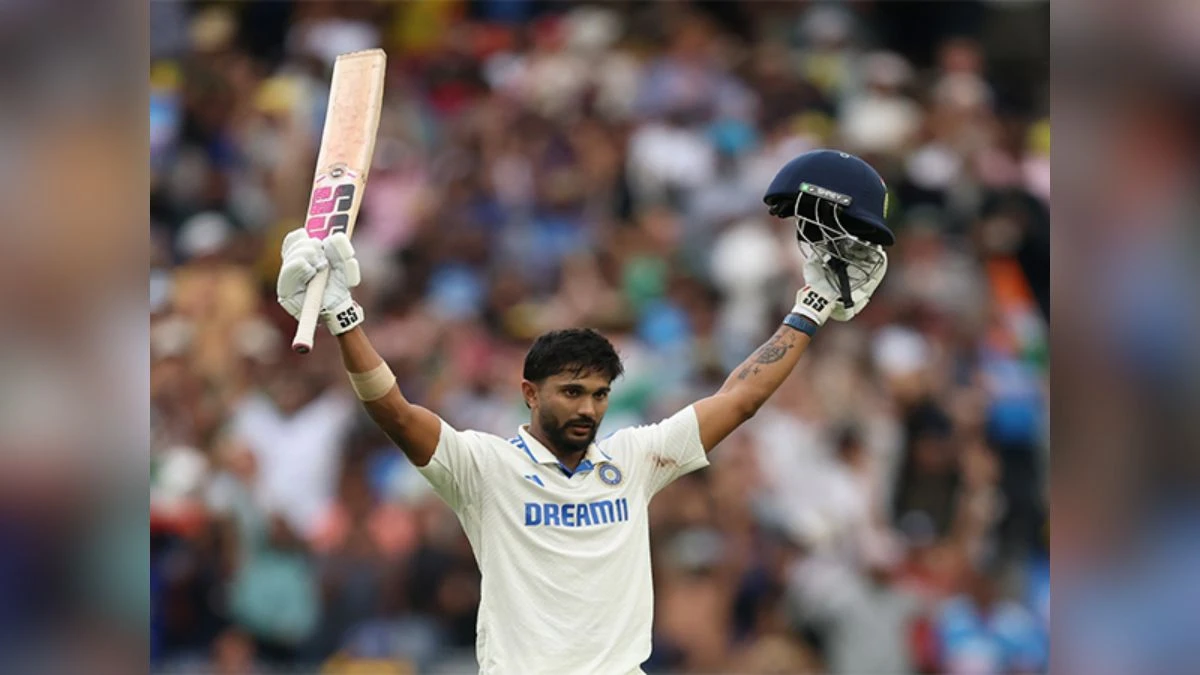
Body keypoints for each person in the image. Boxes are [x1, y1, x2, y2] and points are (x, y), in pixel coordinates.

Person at [274, 149, 893, 675]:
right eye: (571, 392)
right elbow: (397, 414)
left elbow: (740, 397)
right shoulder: (484, 468)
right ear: (529, 393)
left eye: (599, 395)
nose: (588, 409)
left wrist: (809, 308)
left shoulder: (634, 458)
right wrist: (343, 317)